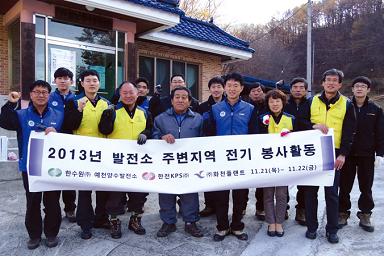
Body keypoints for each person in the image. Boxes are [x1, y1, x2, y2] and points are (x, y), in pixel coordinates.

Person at [0, 80, 63, 249]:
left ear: (49, 95)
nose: (41, 95)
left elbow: (68, 136)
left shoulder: (58, 114)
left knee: (52, 202)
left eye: (44, 92)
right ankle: (34, 235)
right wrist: (11, 103)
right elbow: (4, 123)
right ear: (31, 95)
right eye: (37, 92)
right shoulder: (21, 115)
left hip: (53, 167)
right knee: (33, 202)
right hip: (30, 166)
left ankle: (51, 234)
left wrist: (57, 133)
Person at [204, 72, 258, 242]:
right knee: (221, 195)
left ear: (242, 88)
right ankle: (222, 227)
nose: (232, 89)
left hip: (242, 160)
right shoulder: (215, 109)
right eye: (229, 85)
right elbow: (209, 134)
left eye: (236, 85)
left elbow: (255, 134)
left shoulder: (249, 109)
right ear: (224, 88)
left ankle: (236, 226)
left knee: (240, 196)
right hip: (220, 160)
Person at [305, 69, 356, 244]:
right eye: (328, 80)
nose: (331, 83)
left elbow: (350, 132)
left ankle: (332, 230)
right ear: (323, 83)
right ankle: (311, 228)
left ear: (340, 84)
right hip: (312, 152)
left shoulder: (347, 104)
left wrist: (343, 154)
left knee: (332, 193)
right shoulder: (311, 101)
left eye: (335, 80)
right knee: (310, 192)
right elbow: (301, 122)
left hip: (333, 152)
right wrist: (313, 126)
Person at [98, 81, 152, 239]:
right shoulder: (112, 110)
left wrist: (146, 134)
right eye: (125, 93)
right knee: (115, 195)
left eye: (131, 92)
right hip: (117, 162)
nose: (128, 96)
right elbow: (104, 130)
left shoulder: (144, 112)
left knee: (139, 194)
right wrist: (107, 117)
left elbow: (150, 127)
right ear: (120, 95)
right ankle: (114, 221)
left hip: (138, 162)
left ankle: (135, 219)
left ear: (138, 94)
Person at [63, 69, 111, 240]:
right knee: (84, 191)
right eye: (88, 80)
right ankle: (85, 224)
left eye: (95, 80)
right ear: (81, 83)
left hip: (102, 153)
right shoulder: (73, 101)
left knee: (103, 190)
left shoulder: (106, 103)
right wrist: (79, 110)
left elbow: (107, 129)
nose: (92, 83)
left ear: (99, 83)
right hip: (82, 153)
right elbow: (70, 126)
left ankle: (101, 218)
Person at [152, 86, 204, 238]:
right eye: (177, 97)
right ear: (172, 100)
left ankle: (191, 222)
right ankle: (168, 222)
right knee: (166, 193)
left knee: (190, 193)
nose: (180, 100)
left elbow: (205, 140)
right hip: (167, 165)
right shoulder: (160, 119)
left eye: (184, 97)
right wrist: (161, 137)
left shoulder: (198, 119)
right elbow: (153, 136)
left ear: (189, 101)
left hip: (189, 164)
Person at [338, 76, 384, 232]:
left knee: (366, 186)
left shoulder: (375, 109)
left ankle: (365, 214)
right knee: (344, 185)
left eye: (363, 86)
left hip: (367, 153)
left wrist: (380, 154)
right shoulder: (344, 106)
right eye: (356, 86)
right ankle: (343, 212)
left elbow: (380, 133)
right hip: (348, 153)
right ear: (352, 89)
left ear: (368, 89)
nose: (359, 88)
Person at [258, 89, 298, 237]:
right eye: (271, 101)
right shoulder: (261, 118)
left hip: (284, 163)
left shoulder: (291, 119)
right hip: (267, 163)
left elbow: (299, 140)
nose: (274, 104)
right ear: (267, 103)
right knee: (268, 194)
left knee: (281, 194)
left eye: (277, 101)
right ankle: (271, 222)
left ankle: (279, 222)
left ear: (283, 102)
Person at [49, 67, 77, 223]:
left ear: (71, 81)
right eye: (59, 78)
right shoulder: (48, 97)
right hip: (53, 144)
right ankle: (52, 209)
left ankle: (70, 208)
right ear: (55, 81)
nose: (62, 80)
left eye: (66, 78)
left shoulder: (77, 98)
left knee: (69, 177)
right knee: (53, 175)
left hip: (71, 143)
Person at [284, 77, 312, 226]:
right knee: (285, 178)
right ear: (290, 89)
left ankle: (301, 209)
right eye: (295, 87)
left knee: (304, 180)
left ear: (306, 90)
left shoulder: (312, 104)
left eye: (301, 87)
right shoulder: (284, 103)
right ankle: (284, 207)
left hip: (305, 147)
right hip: (286, 147)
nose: (298, 89)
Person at [197, 76, 225, 217]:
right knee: (208, 176)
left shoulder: (229, 104)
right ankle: (209, 205)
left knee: (222, 178)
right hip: (207, 147)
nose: (216, 89)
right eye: (213, 87)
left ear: (223, 88)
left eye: (219, 86)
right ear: (210, 89)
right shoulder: (202, 107)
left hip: (224, 147)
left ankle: (222, 206)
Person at [243, 82, 268, 221]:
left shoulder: (269, 106)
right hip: (247, 148)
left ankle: (261, 208)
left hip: (265, 149)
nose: (256, 93)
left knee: (262, 179)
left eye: (259, 90)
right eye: (253, 91)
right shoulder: (246, 107)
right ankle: (242, 207)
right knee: (245, 179)